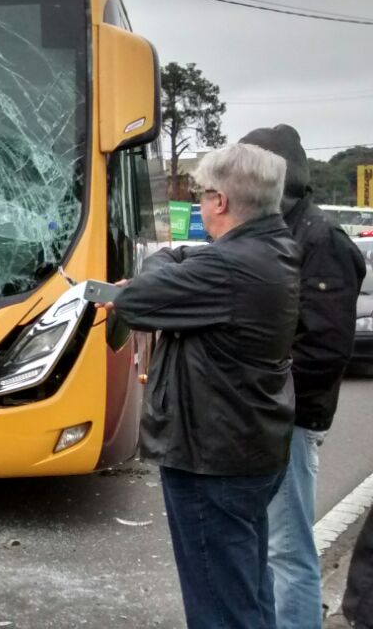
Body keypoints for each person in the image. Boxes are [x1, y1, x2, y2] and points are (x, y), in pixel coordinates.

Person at [103, 143, 299, 629]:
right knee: (249, 591)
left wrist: (162, 264)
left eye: (203, 194)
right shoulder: (275, 249)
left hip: (211, 456)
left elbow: (138, 301)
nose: (200, 203)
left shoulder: (226, 269)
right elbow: (180, 264)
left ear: (222, 202)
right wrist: (177, 262)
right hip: (248, 448)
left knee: (219, 606)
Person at [241, 125, 366, 629]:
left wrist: (269, 397)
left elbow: (324, 348)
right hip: (266, 416)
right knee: (266, 545)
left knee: (287, 548)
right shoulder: (280, 230)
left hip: (287, 420)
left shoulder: (319, 239)